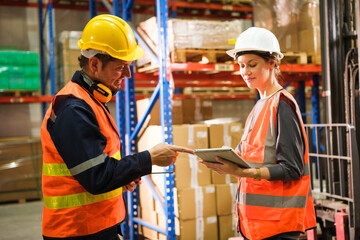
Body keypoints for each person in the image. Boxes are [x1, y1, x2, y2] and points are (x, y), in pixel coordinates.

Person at [40, 14, 194, 240]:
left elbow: (96, 166)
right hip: (77, 231)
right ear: (94, 63)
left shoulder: (91, 101)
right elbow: (97, 176)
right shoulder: (73, 109)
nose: (128, 75)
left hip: (96, 226)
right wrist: (148, 159)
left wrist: (123, 178)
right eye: (121, 67)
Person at [199, 27, 316, 240]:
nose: (245, 71)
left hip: (278, 227)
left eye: (252, 64)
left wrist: (245, 173)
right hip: (256, 225)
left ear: (271, 62)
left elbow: (293, 168)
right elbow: (253, 156)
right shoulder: (259, 106)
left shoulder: (282, 105)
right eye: (241, 65)